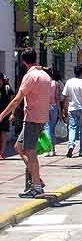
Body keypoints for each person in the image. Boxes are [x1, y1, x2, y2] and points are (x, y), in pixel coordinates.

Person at [0, 48, 51, 198]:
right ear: (35, 58)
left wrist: (2, 115)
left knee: (30, 151)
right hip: (41, 117)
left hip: (32, 118)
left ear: (23, 61)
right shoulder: (44, 75)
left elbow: (17, 99)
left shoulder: (30, 76)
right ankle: (37, 180)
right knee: (19, 147)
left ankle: (36, 186)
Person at [62, 65, 82, 158]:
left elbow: (65, 97)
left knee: (72, 128)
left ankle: (71, 145)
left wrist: (64, 109)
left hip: (72, 108)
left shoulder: (69, 82)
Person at [44, 68, 61, 157]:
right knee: (52, 128)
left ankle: (48, 149)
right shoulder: (56, 83)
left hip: (45, 107)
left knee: (47, 128)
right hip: (54, 107)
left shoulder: (43, 83)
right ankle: (52, 149)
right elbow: (57, 98)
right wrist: (60, 111)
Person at [0, 74, 15, 159]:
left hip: (5, 115)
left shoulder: (7, 89)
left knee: (3, 133)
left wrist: (13, 114)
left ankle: (2, 153)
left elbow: (13, 102)